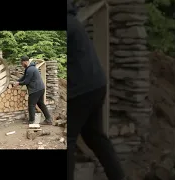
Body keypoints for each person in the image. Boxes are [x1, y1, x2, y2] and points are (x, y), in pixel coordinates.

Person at [67, 1, 127, 180]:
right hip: (96, 85)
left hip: (82, 89)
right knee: (95, 136)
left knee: (65, 139)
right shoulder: (72, 20)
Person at [14, 56, 52, 125]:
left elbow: (26, 81)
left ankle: (31, 121)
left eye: (22, 63)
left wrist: (18, 83)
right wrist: (17, 81)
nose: (22, 65)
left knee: (31, 105)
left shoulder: (30, 69)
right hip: (40, 88)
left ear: (25, 62)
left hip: (35, 89)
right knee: (41, 104)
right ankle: (48, 119)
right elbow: (24, 77)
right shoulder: (30, 68)